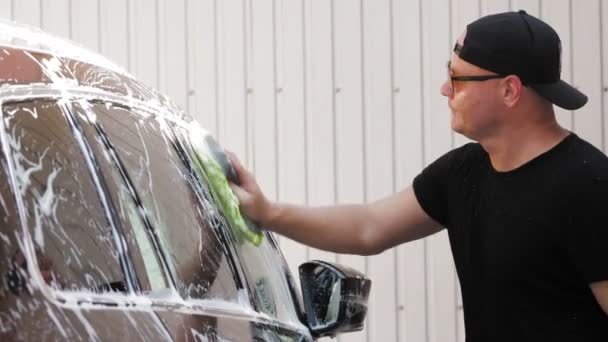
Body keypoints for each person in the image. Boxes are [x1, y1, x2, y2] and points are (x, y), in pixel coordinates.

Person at [227, 10, 608, 341]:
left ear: (510, 90)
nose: (444, 89)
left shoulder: (589, 186)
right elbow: (369, 227)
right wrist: (267, 212)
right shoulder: (464, 172)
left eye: (458, 79)